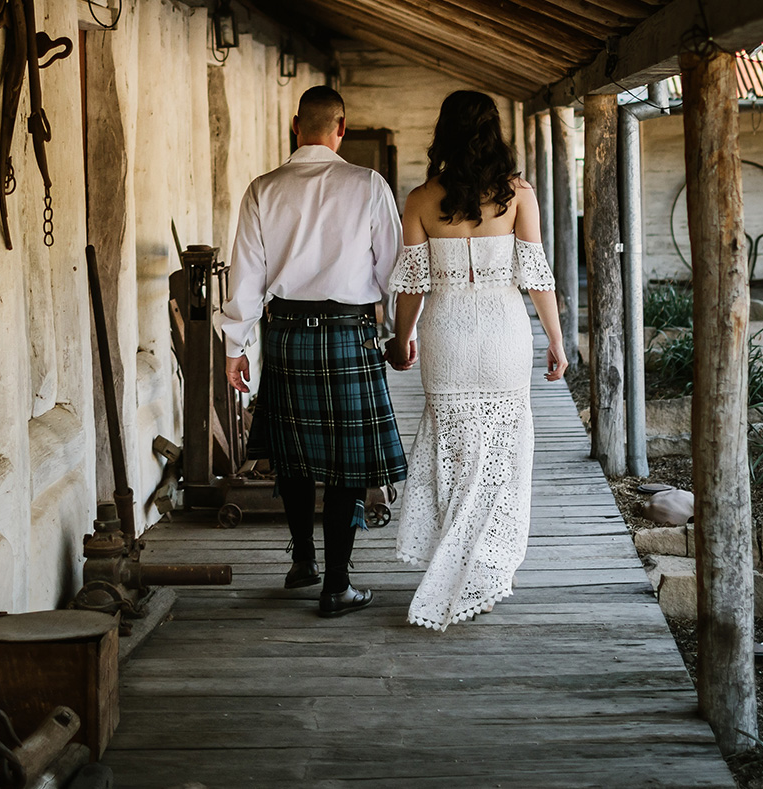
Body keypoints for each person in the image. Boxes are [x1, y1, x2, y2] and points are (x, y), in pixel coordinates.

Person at [218, 86, 407, 618]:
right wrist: (397, 334)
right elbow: (394, 271)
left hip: (285, 336)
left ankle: (304, 561)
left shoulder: (263, 189)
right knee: (347, 466)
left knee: (293, 454)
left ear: (294, 127)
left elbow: (246, 280)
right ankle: (337, 585)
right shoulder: (367, 185)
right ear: (341, 127)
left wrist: (236, 347)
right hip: (349, 335)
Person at [389, 91, 568, 630]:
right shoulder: (518, 196)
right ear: (494, 134)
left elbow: (412, 289)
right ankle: (484, 576)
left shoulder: (421, 199)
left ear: (444, 134)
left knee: (455, 455)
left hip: (447, 336)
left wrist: (401, 340)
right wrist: (556, 341)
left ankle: (462, 569)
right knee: (503, 460)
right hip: (504, 334)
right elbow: (537, 277)